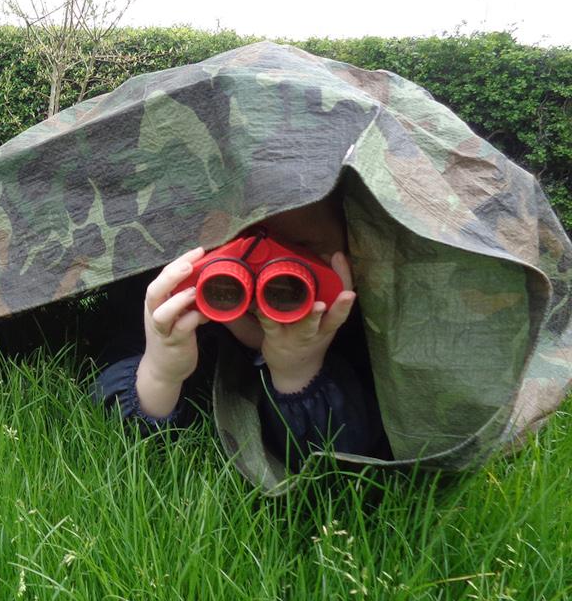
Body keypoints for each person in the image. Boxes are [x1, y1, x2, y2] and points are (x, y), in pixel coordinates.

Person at [94, 195, 393, 471]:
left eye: (301, 251)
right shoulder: (176, 318)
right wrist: (161, 372)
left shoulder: (370, 335)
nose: (260, 281)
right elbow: (122, 446)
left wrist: (297, 369)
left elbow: (343, 472)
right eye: (231, 246)